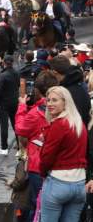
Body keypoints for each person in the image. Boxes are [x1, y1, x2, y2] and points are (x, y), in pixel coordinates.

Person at [15, 71, 59, 221]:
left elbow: (20, 129)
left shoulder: (35, 113)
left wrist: (21, 107)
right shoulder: (62, 109)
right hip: (56, 165)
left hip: (37, 165)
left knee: (35, 204)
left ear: (38, 91)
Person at [39, 86, 87, 222]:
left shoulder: (59, 125)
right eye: (48, 100)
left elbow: (46, 156)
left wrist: (42, 173)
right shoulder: (79, 124)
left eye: (54, 100)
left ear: (65, 102)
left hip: (58, 183)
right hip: (79, 185)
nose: (49, 104)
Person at [49, 55, 91, 126]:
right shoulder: (80, 83)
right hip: (82, 130)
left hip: (74, 131)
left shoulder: (65, 92)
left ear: (55, 72)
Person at [0, 55, 20, 155]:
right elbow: (18, 84)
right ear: (12, 62)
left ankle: (4, 148)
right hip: (14, 102)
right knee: (16, 125)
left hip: (3, 103)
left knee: (4, 125)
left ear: (4, 62)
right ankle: (19, 148)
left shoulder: (3, 75)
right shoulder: (16, 73)